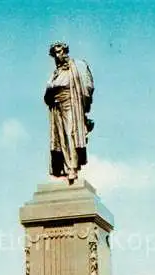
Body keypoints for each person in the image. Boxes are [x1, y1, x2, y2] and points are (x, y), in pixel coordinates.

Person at [44, 41, 94, 184]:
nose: (57, 55)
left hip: (71, 102)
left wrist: (84, 107)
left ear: (65, 51)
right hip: (56, 105)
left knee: (70, 133)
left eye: (59, 52)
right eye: (54, 53)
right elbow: (48, 92)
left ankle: (72, 167)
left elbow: (87, 85)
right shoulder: (55, 73)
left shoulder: (76, 66)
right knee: (60, 138)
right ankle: (65, 168)